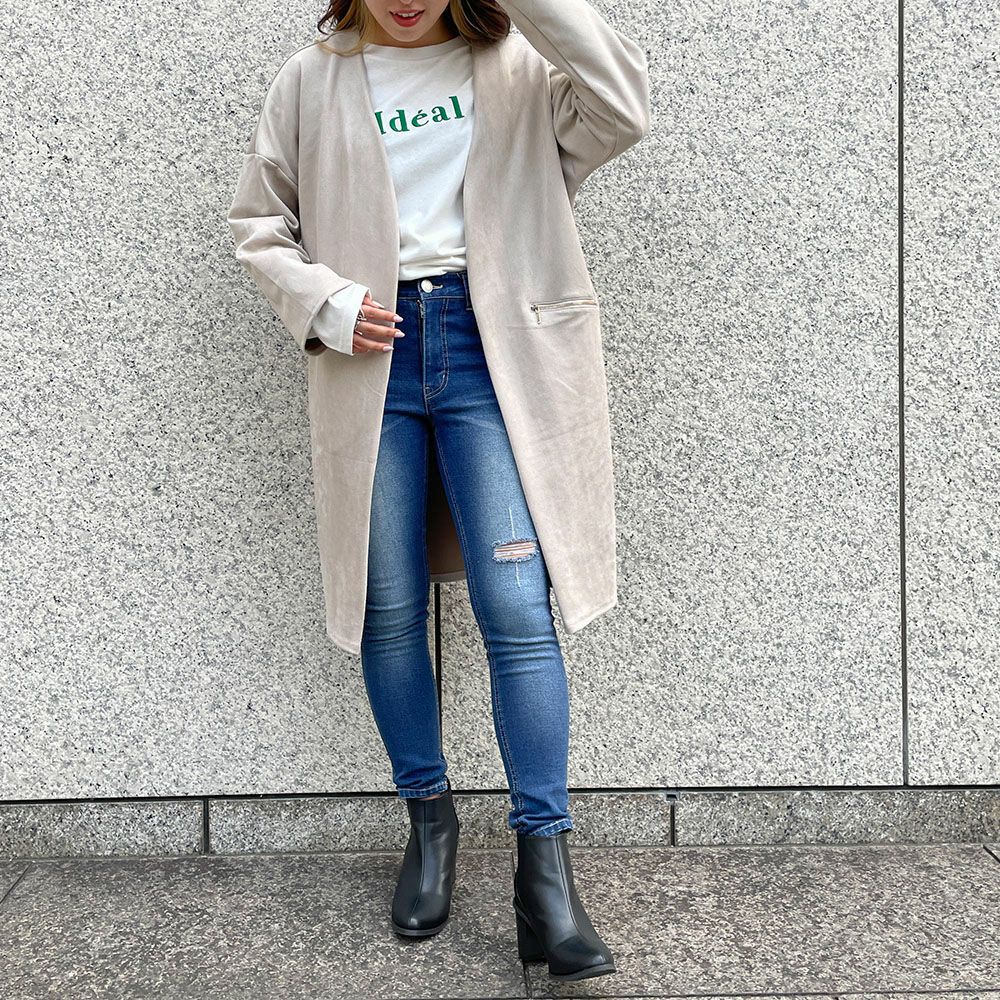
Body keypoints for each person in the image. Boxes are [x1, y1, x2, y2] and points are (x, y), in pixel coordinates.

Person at [229, 0, 649, 983]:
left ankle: (546, 873)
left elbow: (623, 107)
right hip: (372, 355)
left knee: (518, 605)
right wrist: (325, 301)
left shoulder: (518, 68)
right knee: (387, 607)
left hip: (493, 353)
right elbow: (258, 224)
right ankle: (429, 820)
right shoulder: (313, 78)